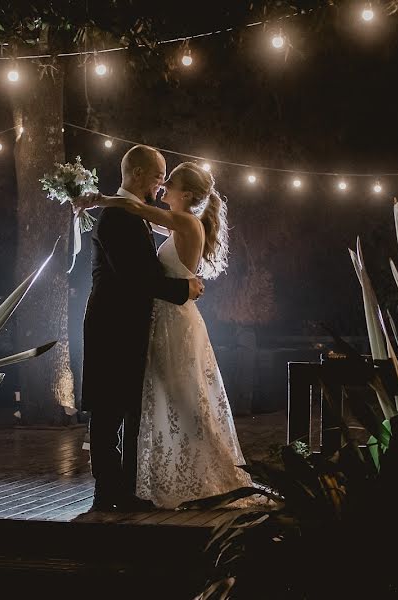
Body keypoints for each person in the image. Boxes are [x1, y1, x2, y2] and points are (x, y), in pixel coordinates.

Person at [76, 161, 260, 509]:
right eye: (160, 178)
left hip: (173, 318)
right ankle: (144, 479)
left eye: (169, 181)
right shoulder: (174, 224)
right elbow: (140, 224)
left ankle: (207, 469)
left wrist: (98, 199)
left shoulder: (185, 221)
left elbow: (134, 207)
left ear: (186, 194)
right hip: (164, 315)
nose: (163, 186)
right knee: (164, 399)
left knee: (183, 398)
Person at [81, 145, 204, 512]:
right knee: (108, 412)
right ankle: (109, 492)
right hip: (112, 327)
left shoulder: (129, 213)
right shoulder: (117, 218)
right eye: (156, 175)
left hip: (129, 325)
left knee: (127, 408)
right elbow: (137, 278)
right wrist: (184, 289)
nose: (160, 183)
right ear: (137, 173)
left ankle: (125, 489)